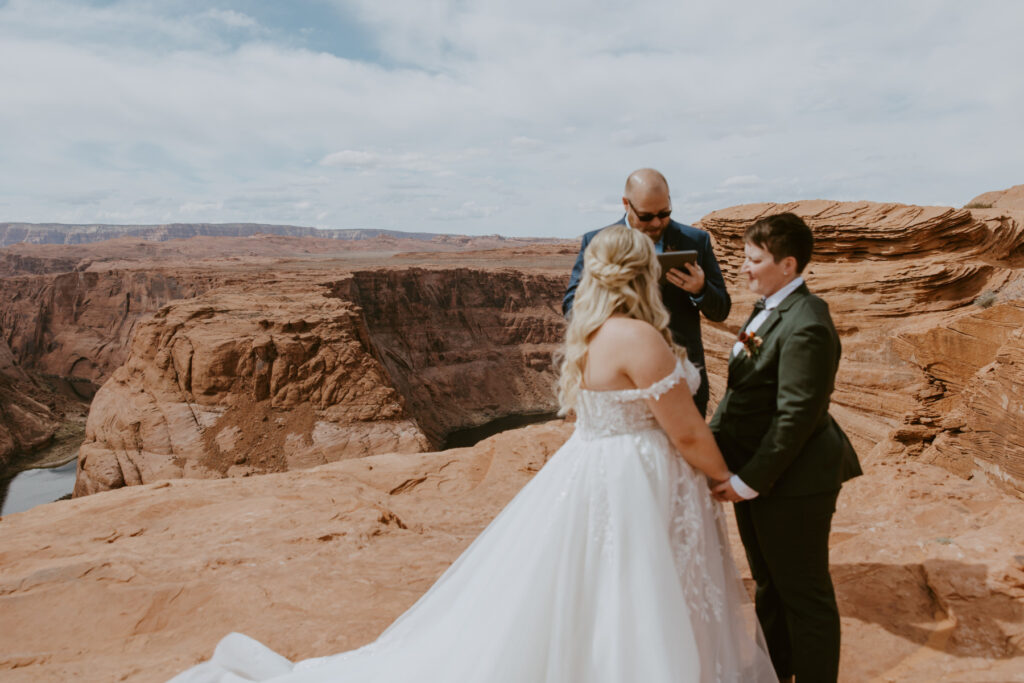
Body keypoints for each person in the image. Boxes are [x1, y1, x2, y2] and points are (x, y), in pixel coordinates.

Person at [169, 224, 776, 682]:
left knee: (599, 588)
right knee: (635, 587)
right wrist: (721, 477)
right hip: (636, 481)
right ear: (641, 276)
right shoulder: (640, 337)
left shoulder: (591, 335)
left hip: (597, 472)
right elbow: (688, 431)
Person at [709, 213, 862, 683]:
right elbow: (740, 396)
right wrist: (712, 448)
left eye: (754, 260)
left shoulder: (807, 324)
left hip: (793, 482)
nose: (743, 269)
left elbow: (796, 417)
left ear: (788, 264)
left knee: (804, 595)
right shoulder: (769, 307)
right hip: (759, 475)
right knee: (771, 586)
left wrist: (748, 480)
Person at [563, 168, 731, 416]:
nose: (656, 223)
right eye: (646, 216)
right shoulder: (598, 241)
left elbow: (722, 310)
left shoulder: (695, 240)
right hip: (619, 380)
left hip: (681, 378)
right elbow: (571, 307)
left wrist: (700, 289)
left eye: (664, 214)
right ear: (625, 204)